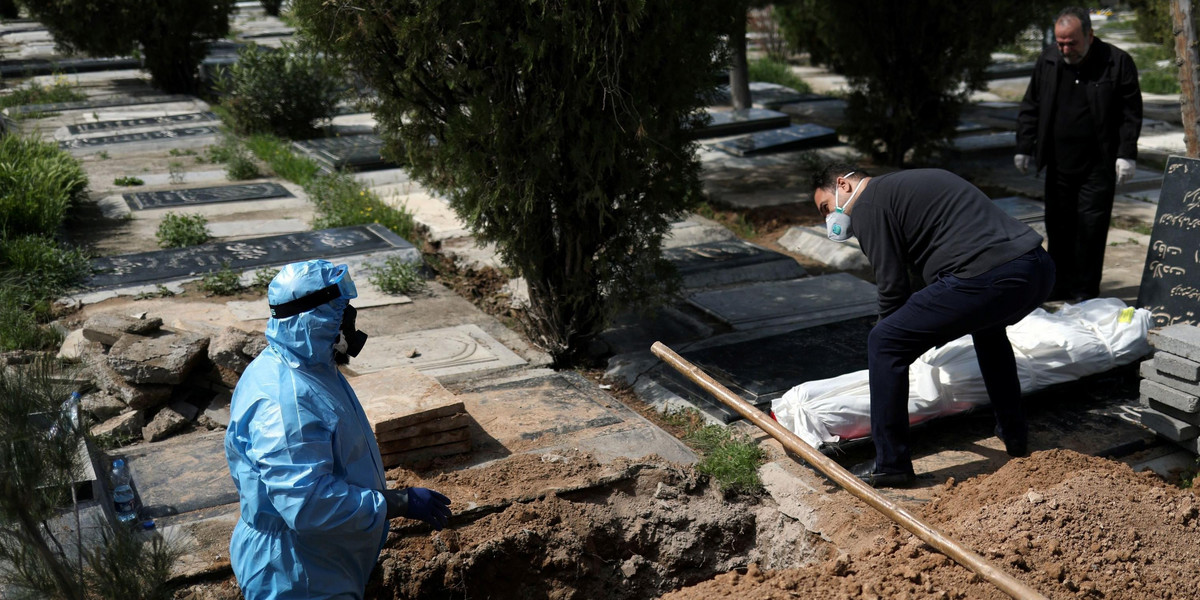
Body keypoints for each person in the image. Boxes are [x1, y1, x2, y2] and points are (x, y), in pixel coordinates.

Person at [811, 165, 1056, 487]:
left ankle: (891, 464)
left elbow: (892, 286)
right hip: (1036, 268)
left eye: (826, 208)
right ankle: (1014, 434)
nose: (829, 219)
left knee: (884, 342)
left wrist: (893, 340)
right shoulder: (904, 186)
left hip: (989, 276)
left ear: (843, 185)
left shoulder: (867, 204)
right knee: (988, 332)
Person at [225, 259, 452, 600]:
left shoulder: (307, 367)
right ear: (314, 321)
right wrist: (397, 503)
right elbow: (307, 503)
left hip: (321, 559)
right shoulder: (287, 401)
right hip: (298, 575)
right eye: (341, 309)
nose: (349, 319)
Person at [1015, 6, 1142, 303]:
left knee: (1091, 228)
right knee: (1058, 227)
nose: (1065, 48)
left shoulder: (1116, 62)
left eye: (1071, 42)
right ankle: (1057, 285)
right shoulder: (1048, 60)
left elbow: (1130, 112)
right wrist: (1024, 146)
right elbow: (1031, 104)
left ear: (1089, 35)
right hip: (1058, 162)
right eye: (1060, 42)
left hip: (1098, 163)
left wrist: (1126, 153)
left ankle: (1085, 291)